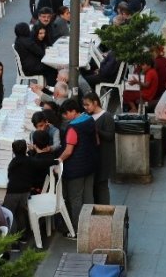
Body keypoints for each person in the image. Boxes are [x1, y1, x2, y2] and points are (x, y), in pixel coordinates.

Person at [57, 99, 97, 237]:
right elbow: (96, 140)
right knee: (89, 196)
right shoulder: (89, 119)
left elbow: (68, 151)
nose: (65, 116)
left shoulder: (73, 127)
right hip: (90, 164)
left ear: (74, 111)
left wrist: (59, 160)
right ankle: (91, 225)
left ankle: (77, 230)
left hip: (76, 169)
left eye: (67, 113)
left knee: (76, 200)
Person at [83, 93, 115, 205]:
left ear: (95, 103)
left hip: (103, 157)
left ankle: (105, 211)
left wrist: (97, 130)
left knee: (102, 186)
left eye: (87, 105)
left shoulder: (106, 117)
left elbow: (110, 136)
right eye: (84, 105)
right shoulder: (88, 116)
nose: (86, 108)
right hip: (93, 158)